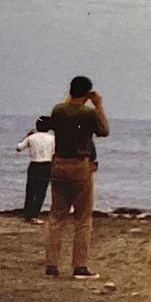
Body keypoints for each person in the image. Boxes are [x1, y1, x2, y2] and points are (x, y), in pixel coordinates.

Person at [46, 76, 110, 279]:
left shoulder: (58, 109)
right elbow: (104, 131)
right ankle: (79, 266)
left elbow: (64, 112)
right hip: (79, 164)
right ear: (88, 93)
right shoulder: (88, 113)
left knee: (57, 216)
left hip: (58, 163)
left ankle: (52, 263)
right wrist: (99, 105)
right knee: (83, 218)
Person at [15, 117, 55, 223]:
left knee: (30, 190)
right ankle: (34, 215)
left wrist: (27, 136)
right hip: (46, 165)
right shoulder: (52, 138)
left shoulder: (32, 137)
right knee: (41, 191)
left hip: (34, 164)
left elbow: (19, 148)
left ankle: (27, 214)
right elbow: (55, 152)